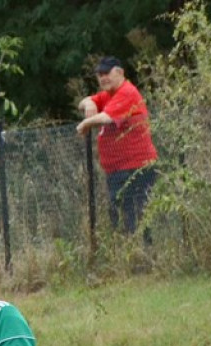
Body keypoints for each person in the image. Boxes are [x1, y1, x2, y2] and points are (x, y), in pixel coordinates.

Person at [77, 56, 158, 235]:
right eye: (99, 74)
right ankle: (128, 252)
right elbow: (82, 102)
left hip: (136, 168)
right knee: (120, 216)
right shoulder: (108, 95)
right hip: (118, 169)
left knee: (136, 216)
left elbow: (107, 117)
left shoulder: (127, 92)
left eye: (106, 73)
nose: (102, 78)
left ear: (120, 73)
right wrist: (89, 102)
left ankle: (144, 254)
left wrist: (85, 123)